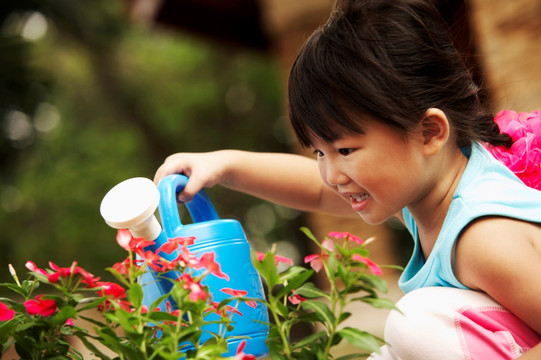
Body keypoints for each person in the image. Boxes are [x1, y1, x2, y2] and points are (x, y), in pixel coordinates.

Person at [154, 0, 541, 358]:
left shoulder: (484, 238)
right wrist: (225, 165)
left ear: (429, 133)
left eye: (345, 151)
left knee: (417, 325)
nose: (330, 173)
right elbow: (315, 189)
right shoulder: (429, 192)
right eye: (319, 152)